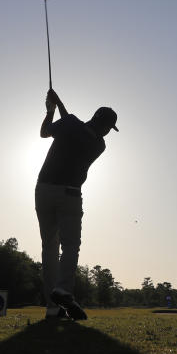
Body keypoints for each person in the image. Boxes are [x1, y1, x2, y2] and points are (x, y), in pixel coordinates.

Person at [36, 88, 118, 320]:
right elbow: (74, 125)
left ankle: (53, 307)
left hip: (43, 190)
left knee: (49, 247)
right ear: (104, 126)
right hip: (70, 195)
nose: (108, 133)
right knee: (70, 245)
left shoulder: (72, 124)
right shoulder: (99, 145)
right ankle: (62, 289)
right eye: (109, 128)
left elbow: (46, 132)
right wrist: (59, 105)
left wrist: (51, 110)